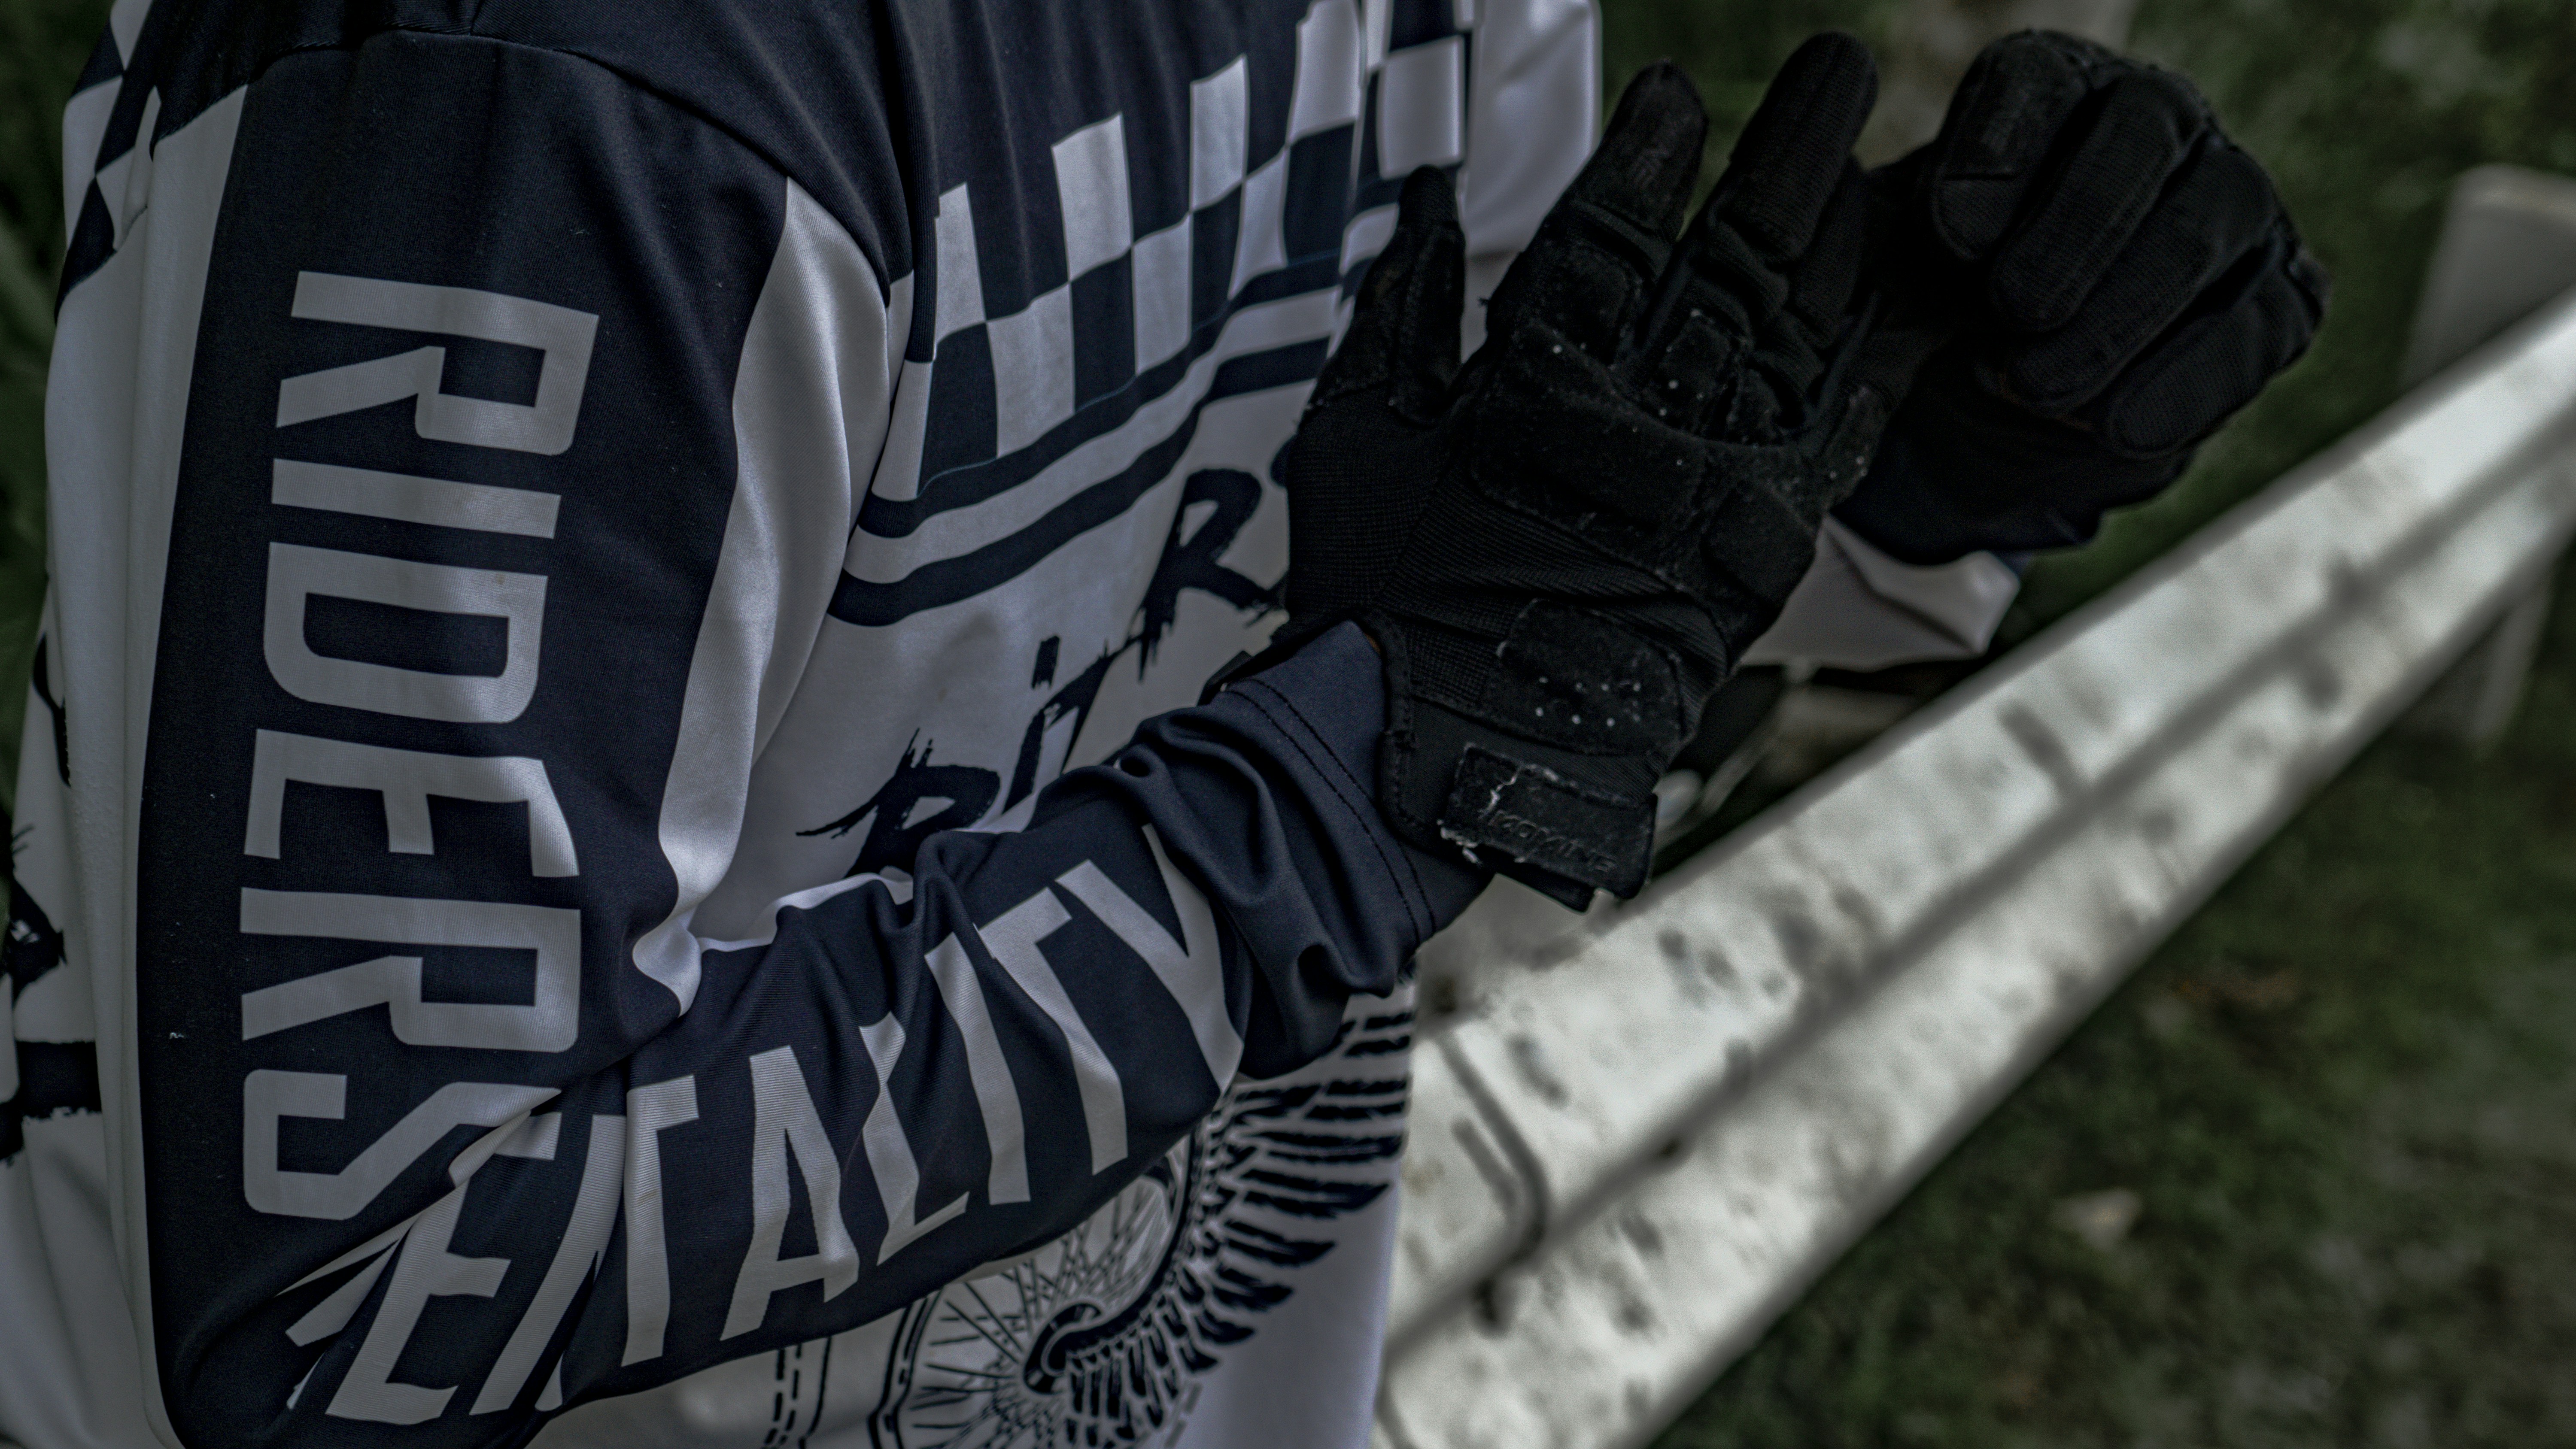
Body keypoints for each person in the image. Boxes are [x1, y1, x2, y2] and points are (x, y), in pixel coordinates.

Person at [0, 1, 2320, 1445]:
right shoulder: (555, 74)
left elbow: (1445, 600)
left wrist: (1901, 453)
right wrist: (1349, 794)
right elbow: (366, 1285)